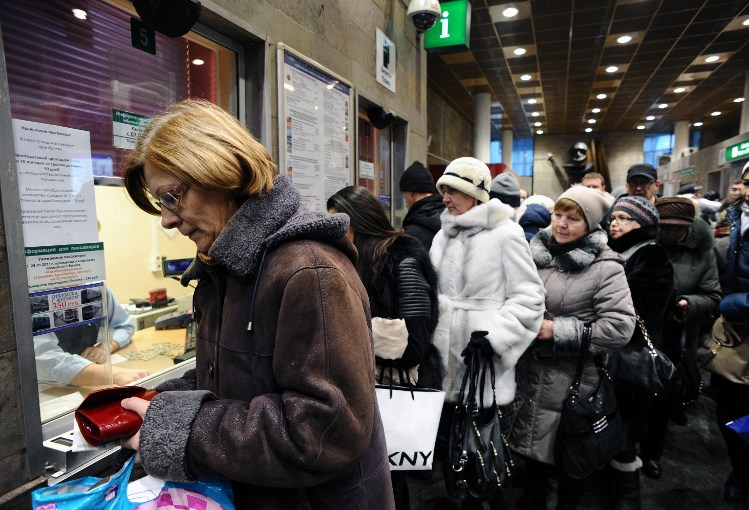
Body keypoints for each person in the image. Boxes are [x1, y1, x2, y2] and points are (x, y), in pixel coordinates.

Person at [120, 99, 394, 509]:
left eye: (171, 197)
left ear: (219, 171)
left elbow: (325, 431)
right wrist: (162, 401)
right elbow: (242, 376)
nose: (167, 220)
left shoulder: (309, 270)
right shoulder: (227, 268)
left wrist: (183, 429)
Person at [429, 156, 545, 510]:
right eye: (444, 190)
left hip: (482, 366)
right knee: (449, 444)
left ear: (476, 193)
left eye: (454, 190)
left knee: (482, 447)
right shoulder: (442, 233)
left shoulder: (506, 234)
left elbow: (530, 298)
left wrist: (496, 337)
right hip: (443, 360)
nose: (446, 197)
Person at [510, 185, 636, 510]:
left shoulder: (605, 267)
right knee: (533, 455)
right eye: (558, 215)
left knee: (570, 460)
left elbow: (620, 328)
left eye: (573, 219)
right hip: (530, 372)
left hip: (572, 380)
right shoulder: (534, 254)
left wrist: (557, 330)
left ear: (590, 225)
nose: (561, 224)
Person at [327, 185, 440, 510]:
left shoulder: (402, 260)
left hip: (394, 389)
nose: (335, 231)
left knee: (390, 481)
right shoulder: (350, 260)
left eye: (339, 223)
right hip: (361, 389)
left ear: (358, 223)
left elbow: (415, 344)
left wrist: (345, 334)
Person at [641, 197, 721, 481]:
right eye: (665, 227)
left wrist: (688, 304)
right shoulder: (642, 245)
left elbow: (713, 295)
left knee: (662, 396)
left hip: (673, 334)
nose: (671, 234)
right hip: (638, 331)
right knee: (631, 392)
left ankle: (652, 453)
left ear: (690, 227)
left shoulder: (702, 252)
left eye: (679, 229)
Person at [606, 196, 674, 510]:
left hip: (631, 355)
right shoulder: (612, 250)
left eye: (623, 218)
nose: (615, 223)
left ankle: (627, 489)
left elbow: (639, 308)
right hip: (606, 351)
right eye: (613, 217)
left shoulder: (652, 255)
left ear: (642, 223)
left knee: (627, 425)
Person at [711, 150, 749, 507]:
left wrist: (732, 308)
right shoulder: (733, 219)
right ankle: (740, 469)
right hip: (735, 333)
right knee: (729, 411)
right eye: (747, 182)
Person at [34, 287, 147, 386]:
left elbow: (117, 326)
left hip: (95, 379)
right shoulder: (37, 299)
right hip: (53, 388)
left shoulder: (97, 288)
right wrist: (113, 374)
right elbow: (45, 358)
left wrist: (105, 345)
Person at [399, 161, 445, 250]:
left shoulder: (411, 234)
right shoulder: (449, 216)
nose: (405, 203)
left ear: (411, 194)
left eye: (404, 196)